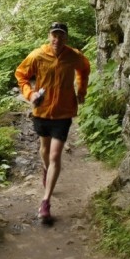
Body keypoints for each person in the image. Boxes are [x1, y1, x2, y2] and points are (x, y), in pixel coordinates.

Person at [15, 22, 90, 223]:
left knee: (56, 154)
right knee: (44, 150)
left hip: (64, 112)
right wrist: (30, 95)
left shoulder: (73, 55)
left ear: (66, 38)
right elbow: (21, 75)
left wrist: (81, 91)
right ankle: (46, 170)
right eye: (54, 35)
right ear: (49, 36)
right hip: (42, 111)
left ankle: (45, 202)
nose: (57, 39)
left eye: (61, 36)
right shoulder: (37, 55)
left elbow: (84, 68)